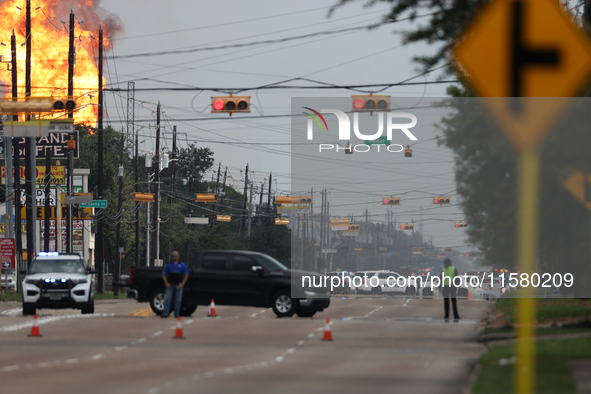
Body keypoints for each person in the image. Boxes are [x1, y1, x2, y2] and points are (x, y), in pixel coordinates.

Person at [161, 251, 189, 318]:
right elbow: (164, 274)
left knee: (178, 300)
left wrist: (182, 283)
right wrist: (166, 283)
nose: (174, 257)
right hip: (170, 285)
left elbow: (186, 275)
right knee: (167, 299)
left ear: (178, 256)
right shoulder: (169, 265)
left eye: (175, 256)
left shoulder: (182, 265)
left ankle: (176, 314)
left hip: (178, 285)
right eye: (173, 256)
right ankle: (165, 313)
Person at [441, 258, 460, 322]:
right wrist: (457, 285)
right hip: (452, 287)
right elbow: (457, 277)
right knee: (454, 302)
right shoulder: (453, 268)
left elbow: (441, 278)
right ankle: (456, 316)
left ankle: (446, 316)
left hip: (445, 287)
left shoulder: (443, 269)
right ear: (450, 263)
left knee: (446, 302)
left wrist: (440, 287)